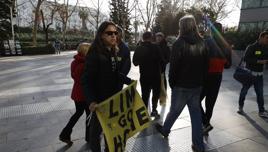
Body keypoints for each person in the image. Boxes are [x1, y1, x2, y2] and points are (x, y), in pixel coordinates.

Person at [155, 15, 209, 152]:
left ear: (182, 27)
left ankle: (165, 130)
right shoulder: (202, 42)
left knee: (174, 110)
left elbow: (174, 67)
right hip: (197, 85)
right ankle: (198, 145)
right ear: (194, 26)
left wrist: (172, 83)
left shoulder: (179, 43)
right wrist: (202, 82)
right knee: (196, 115)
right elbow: (205, 65)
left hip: (181, 85)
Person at [81, 21, 131, 152]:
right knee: (95, 134)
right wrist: (91, 101)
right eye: (109, 33)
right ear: (101, 35)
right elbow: (86, 80)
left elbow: (115, 74)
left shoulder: (113, 51)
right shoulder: (94, 53)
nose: (114, 36)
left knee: (112, 131)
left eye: (115, 33)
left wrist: (129, 81)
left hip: (112, 101)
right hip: (99, 103)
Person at [200, 22, 232, 135]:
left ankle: (205, 123)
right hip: (217, 76)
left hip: (205, 76)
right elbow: (228, 65)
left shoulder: (206, 42)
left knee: (196, 101)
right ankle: (206, 126)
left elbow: (200, 60)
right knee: (210, 104)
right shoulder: (226, 45)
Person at [59, 43, 91, 145]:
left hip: (77, 93)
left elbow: (74, 77)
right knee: (89, 115)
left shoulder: (74, 62)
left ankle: (65, 134)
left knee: (78, 113)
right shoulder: (85, 64)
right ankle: (89, 137)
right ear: (86, 52)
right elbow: (84, 79)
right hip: (84, 94)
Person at [133, 31, 164, 118]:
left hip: (144, 76)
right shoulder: (156, 47)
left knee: (145, 95)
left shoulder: (139, 48)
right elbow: (162, 60)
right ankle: (154, 110)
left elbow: (135, 63)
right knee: (155, 94)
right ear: (151, 38)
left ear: (143, 38)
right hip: (156, 75)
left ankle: (144, 114)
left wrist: (142, 60)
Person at [237, 31, 268, 118]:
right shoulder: (251, 47)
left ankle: (261, 110)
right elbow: (246, 59)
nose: (267, 40)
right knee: (244, 91)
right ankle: (240, 107)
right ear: (261, 37)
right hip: (249, 74)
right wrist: (259, 61)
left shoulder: (266, 48)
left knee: (260, 93)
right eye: (266, 38)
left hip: (259, 75)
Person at [155, 32, 171, 104]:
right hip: (154, 68)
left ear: (162, 38)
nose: (158, 38)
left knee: (163, 85)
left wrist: (163, 62)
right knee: (155, 85)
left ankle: (163, 99)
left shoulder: (166, 46)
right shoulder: (154, 45)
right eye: (157, 37)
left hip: (162, 69)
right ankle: (155, 99)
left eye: (160, 37)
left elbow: (169, 57)